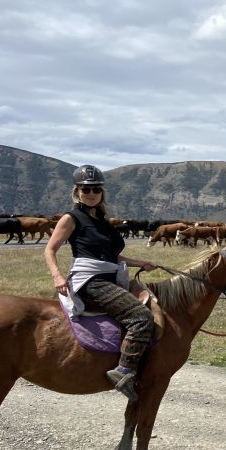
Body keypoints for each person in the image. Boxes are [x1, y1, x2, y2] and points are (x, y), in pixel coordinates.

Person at [44, 164, 158, 401]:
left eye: (96, 189)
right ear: (77, 192)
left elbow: (112, 257)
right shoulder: (71, 218)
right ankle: (123, 370)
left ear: (102, 192)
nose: (91, 193)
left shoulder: (103, 221)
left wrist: (141, 262)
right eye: (86, 189)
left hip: (110, 276)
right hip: (90, 280)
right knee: (140, 316)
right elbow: (50, 249)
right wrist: (57, 275)